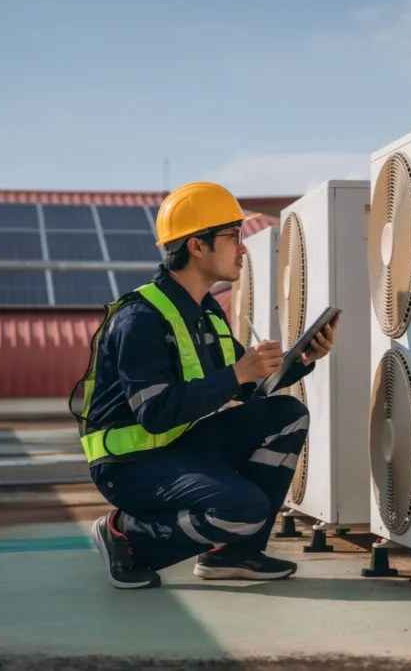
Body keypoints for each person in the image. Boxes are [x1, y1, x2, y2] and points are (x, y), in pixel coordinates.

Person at [69, 181, 338, 590]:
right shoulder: (140, 318)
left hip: (176, 445)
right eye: (233, 237)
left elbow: (250, 389)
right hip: (128, 466)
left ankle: (235, 554)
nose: (243, 248)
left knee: (286, 415)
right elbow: (155, 414)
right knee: (244, 508)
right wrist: (236, 374)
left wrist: (300, 361)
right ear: (196, 246)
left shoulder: (207, 313)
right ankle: (127, 537)